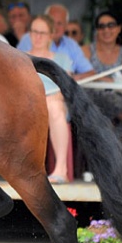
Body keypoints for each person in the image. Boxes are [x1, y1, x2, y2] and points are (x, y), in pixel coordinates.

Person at [27, 15, 73, 184]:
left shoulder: (62, 59)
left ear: (51, 35)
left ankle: (61, 168)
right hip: (26, 104)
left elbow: (66, 90)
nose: (37, 36)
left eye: (42, 32)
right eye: (34, 31)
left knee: (54, 108)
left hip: (54, 104)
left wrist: (46, 99)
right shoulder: (19, 57)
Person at [82, 11, 122, 142]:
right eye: (102, 26)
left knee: (114, 101)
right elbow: (80, 76)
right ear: (97, 30)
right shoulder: (86, 50)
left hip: (118, 104)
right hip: (91, 103)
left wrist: (98, 78)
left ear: (119, 28)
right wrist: (112, 82)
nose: (106, 30)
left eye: (111, 25)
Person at [18, 4, 94, 81]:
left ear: (66, 25)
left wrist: (72, 79)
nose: (55, 27)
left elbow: (90, 73)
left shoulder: (71, 45)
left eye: (59, 23)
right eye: (51, 22)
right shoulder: (28, 39)